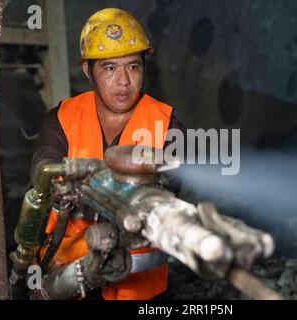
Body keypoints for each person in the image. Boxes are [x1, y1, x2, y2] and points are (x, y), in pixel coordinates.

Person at [30, 8, 184, 300]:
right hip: (68, 280)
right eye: (110, 68)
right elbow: (43, 166)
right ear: (89, 70)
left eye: (133, 67)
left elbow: (166, 189)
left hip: (138, 288)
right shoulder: (61, 118)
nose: (124, 81)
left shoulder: (168, 124)